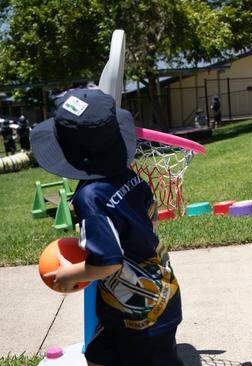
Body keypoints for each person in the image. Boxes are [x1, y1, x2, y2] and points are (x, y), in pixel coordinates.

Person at [31, 88, 183, 365]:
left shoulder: (90, 198)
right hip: (140, 299)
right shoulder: (129, 177)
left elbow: (109, 262)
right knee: (98, 355)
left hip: (142, 314)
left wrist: (69, 274)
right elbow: (150, 216)